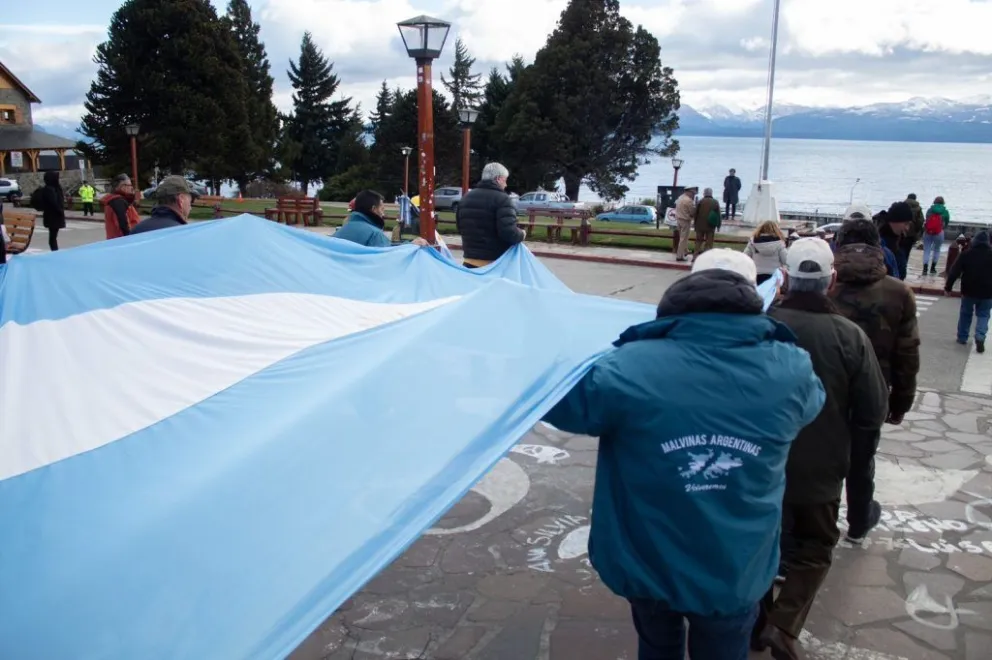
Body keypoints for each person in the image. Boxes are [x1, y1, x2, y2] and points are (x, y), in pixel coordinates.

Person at [543, 248, 825, 660]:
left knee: (657, 644)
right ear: (752, 295)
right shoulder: (791, 367)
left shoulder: (630, 366)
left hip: (648, 557)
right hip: (737, 562)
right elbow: (811, 406)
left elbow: (560, 404)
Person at [761, 238, 889, 659]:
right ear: (831, 280)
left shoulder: (762, 327)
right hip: (822, 464)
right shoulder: (850, 337)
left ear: (784, 278)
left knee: (760, 544)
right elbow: (872, 410)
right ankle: (785, 622)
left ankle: (756, 621)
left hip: (760, 463)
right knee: (815, 546)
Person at [829, 218, 920, 547]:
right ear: (877, 247)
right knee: (862, 460)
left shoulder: (826, 284)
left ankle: (815, 527)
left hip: (823, 389)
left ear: (839, 244)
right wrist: (900, 403)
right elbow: (907, 355)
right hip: (873, 391)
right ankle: (858, 522)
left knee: (816, 457)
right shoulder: (898, 292)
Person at [455, 162, 523, 268]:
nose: (506, 185)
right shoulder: (503, 199)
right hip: (494, 263)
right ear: (498, 179)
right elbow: (509, 233)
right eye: (505, 180)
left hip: (469, 260)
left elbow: (460, 227)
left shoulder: (466, 198)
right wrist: (522, 234)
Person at [945, 230, 992, 354]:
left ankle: (962, 337)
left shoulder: (966, 254)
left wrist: (948, 287)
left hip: (969, 290)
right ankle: (980, 336)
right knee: (984, 314)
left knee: (966, 313)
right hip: (988, 291)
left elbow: (954, 272)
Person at [334, 190, 428, 248]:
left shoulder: (342, 230)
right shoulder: (374, 234)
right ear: (374, 209)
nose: (384, 213)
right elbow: (389, 252)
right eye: (382, 209)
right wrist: (410, 246)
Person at [876, 201, 914, 280]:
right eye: (905, 224)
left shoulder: (901, 241)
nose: (907, 228)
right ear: (894, 221)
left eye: (909, 224)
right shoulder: (879, 243)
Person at [743, 220, 788, 285]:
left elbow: (745, 257)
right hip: (774, 275)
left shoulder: (753, 242)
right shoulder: (779, 244)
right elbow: (786, 260)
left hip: (756, 274)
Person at [101, 174, 141, 239]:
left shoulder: (116, 200)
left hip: (116, 241)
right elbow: (123, 227)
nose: (131, 188)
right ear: (122, 187)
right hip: (123, 242)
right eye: (129, 185)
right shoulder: (118, 203)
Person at [922, 196, 951, 275]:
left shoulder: (929, 210)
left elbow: (927, 219)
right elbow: (947, 222)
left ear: (934, 202)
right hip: (939, 232)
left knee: (927, 250)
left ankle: (925, 268)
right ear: (943, 202)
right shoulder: (945, 212)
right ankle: (933, 268)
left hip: (928, 232)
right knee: (937, 249)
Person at [40, 171, 65, 251]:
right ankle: (55, 252)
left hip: (52, 216)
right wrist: (60, 211)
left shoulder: (52, 188)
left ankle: (55, 251)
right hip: (53, 216)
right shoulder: (50, 189)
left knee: (53, 237)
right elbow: (54, 202)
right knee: (52, 238)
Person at [692, 187, 721, 259]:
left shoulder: (700, 201)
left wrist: (694, 224)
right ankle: (706, 257)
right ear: (711, 193)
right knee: (709, 242)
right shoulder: (715, 202)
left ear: (704, 193)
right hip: (710, 225)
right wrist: (718, 225)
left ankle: (695, 256)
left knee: (698, 241)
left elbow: (695, 213)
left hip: (699, 226)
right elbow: (718, 215)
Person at [674, 186, 697, 262]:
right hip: (685, 220)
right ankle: (680, 256)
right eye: (693, 193)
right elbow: (692, 212)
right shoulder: (688, 201)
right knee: (683, 239)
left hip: (678, 219)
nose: (693, 195)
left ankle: (685, 251)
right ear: (689, 192)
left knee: (681, 237)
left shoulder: (680, 198)